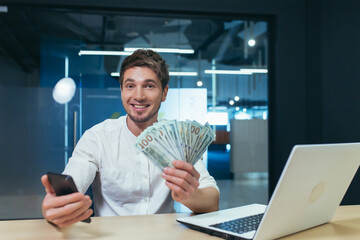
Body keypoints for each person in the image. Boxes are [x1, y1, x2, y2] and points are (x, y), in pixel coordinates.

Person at [41, 49, 219, 228]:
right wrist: (55, 207)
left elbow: (212, 200)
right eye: (130, 86)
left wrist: (191, 196)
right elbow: (69, 186)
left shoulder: (181, 142)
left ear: (164, 93)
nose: (139, 96)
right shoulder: (97, 138)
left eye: (149, 86)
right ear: (121, 91)